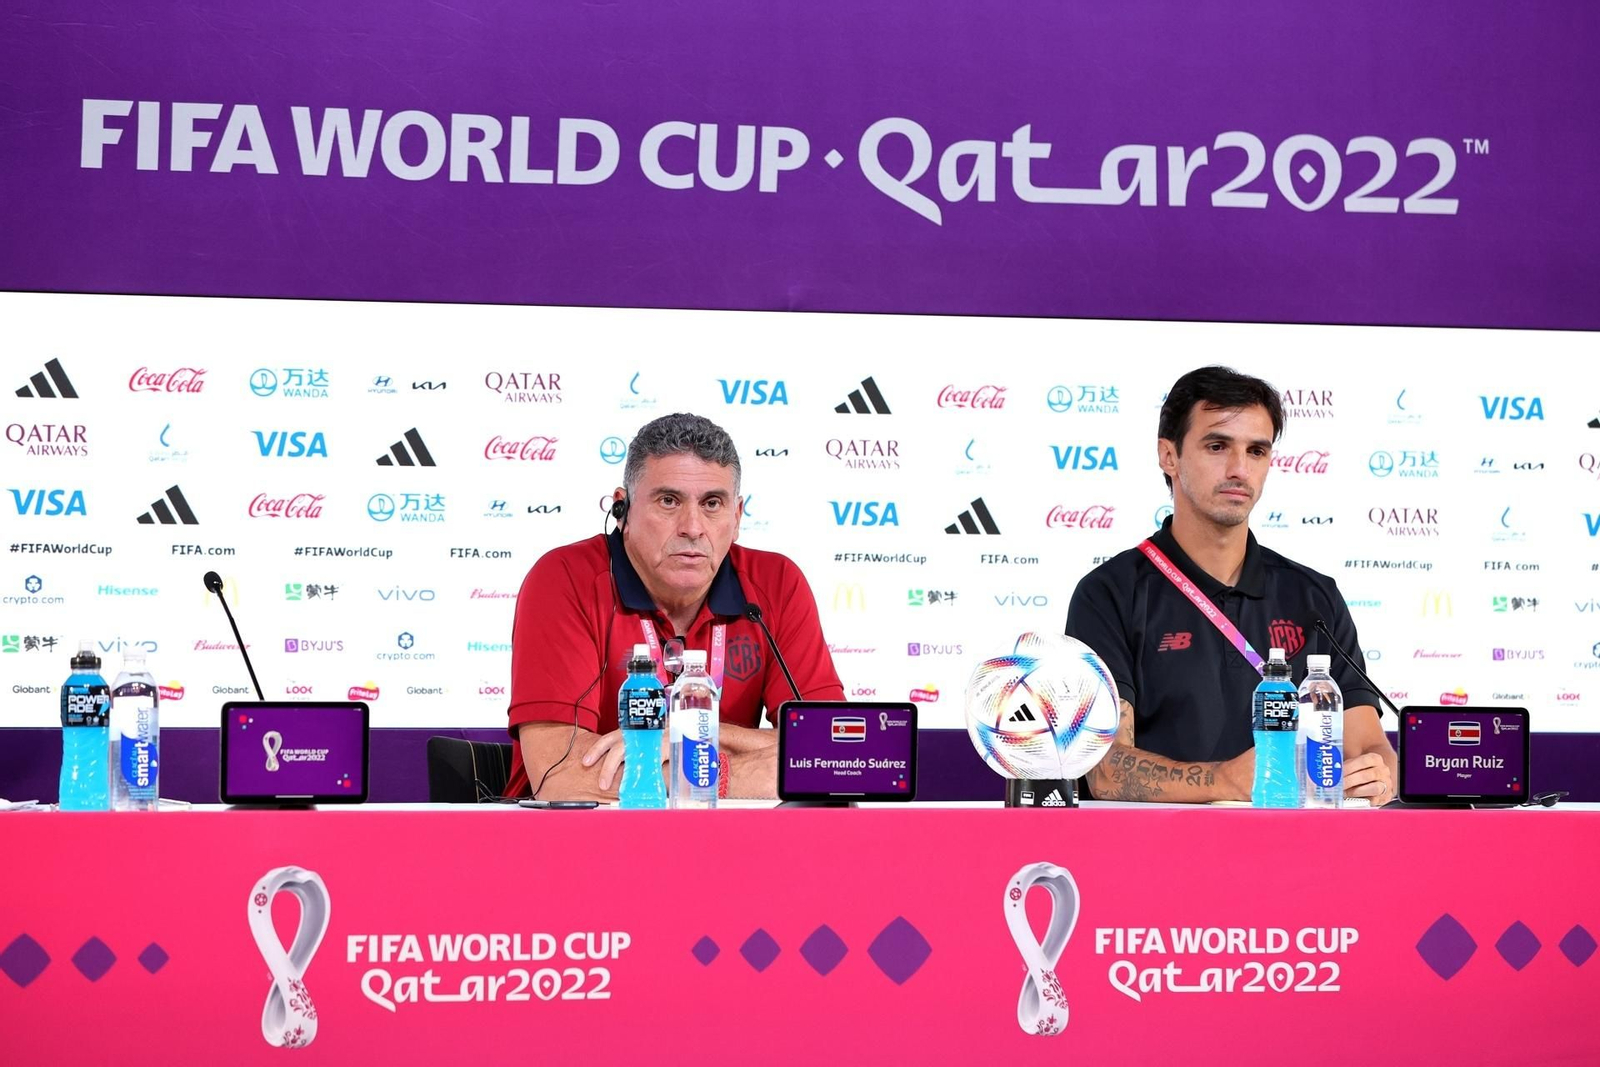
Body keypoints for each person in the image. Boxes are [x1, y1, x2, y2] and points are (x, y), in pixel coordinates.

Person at [1065, 366, 1397, 804]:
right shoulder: (1109, 593)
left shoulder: (1314, 596)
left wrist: (1378, 772)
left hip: (1297, 856)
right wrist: (1226, 780)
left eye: (1256, 451)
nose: (1239, 469)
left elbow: (1369, 748)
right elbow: (1104, 770)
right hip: (1154, 858)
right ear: (1169, 455)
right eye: (1217, 446)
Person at [502, 412, 843, 801]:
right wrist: (739, 771)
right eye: (669, 501)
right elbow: (561, 774)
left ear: (737, 517)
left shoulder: (777, 583)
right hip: (576, 843)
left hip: (725, 842)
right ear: (623, 510)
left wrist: (688, 739)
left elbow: (833, 754)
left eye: (712, 503)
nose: (693, 527)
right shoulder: (564, 578)